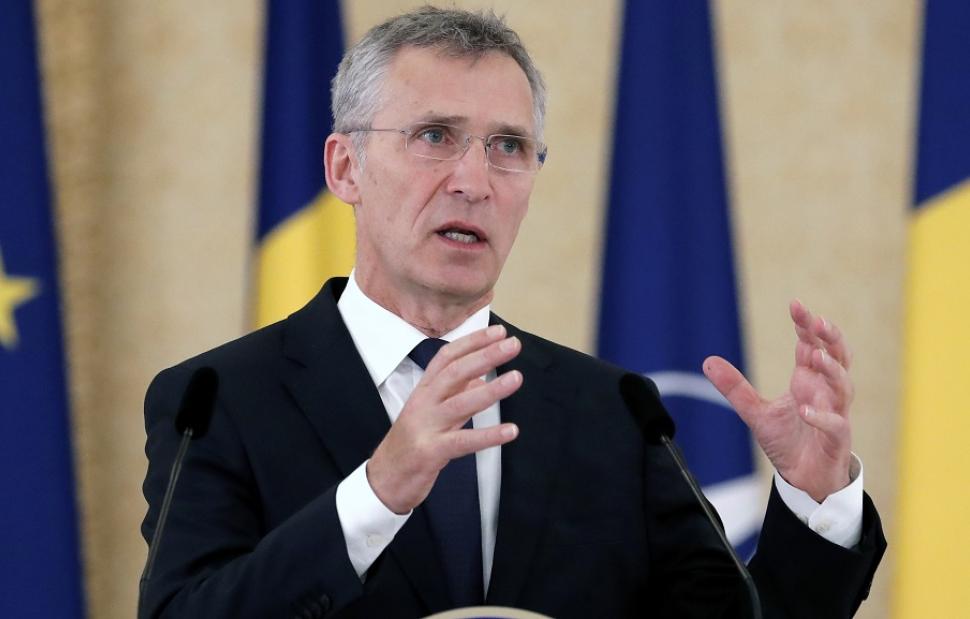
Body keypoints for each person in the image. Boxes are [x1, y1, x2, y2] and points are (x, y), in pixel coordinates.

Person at [140, 7, 885, 618]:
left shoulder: (614, 413)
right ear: (345, 168)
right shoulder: (217, 400)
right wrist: (376, 494)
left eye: (509, 146)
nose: (474, 181)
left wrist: (815, 498)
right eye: (435, 137)